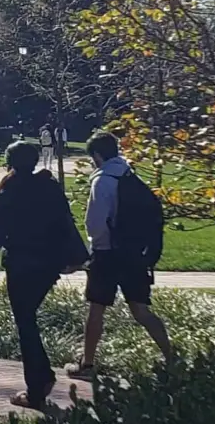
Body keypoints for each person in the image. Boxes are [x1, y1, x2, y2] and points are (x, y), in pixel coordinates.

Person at [0, 139, 88, 409]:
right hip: (48, 266)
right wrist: (79, 258)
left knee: (26, 324)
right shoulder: (49, 186)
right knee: (28, 320)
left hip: (21, 265)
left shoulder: (9, 191)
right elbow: (65, 223)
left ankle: (38, 385)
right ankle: (40, 379)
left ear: (9, 163)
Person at [71, 130, 177, 378]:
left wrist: (93, 249)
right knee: (141, 310)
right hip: (134, 255)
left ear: (96, 155)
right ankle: (171, 357)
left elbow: (95, 223)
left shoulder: (102, 180)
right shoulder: (130, 176)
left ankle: (87, 365)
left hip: (107, 255)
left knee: (96, 310)